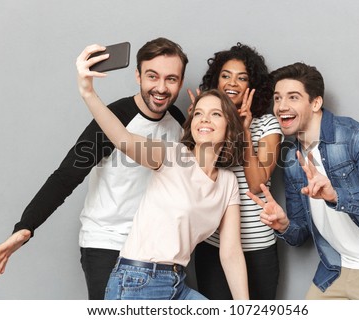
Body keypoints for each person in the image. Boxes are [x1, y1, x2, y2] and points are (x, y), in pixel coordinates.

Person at [0, 37, 188, 300]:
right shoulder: (115, 118)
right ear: (138, 76)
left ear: (180, 83)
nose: (161, 88)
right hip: (107, 244)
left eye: (171, 79)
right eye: (153, 76)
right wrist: (26, 226)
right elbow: (67, 175)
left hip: (152, 250)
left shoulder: (179, 122)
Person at [77, 43, 249, 299]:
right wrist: (88, 92)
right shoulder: (172, 155)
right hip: (137, 281)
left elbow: (231, 252)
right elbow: (123, 138)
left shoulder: (227, 182)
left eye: (215, 114)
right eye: (199, 113)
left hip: (176, 282)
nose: (204, 119)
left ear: (229, 128)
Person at [247, 62, 359, 299]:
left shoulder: (354, 136)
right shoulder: (292, 159)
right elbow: (300, 235)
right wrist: (284, 226)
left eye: (293, 97)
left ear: (316, 103)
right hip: (337, 269)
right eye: (277, 98)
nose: (281, 106)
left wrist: (336, 196)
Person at [189, 43, 282, 299]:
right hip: (213, 245)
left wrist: (244, 131)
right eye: (226, 75)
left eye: (242, 78)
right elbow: (191, 184)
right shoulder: (208, 123)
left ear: (252, 85)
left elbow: (257, 184)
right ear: (216, 81)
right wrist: (195, 132)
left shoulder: (267, 124)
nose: (233, 83)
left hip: (257, 247)